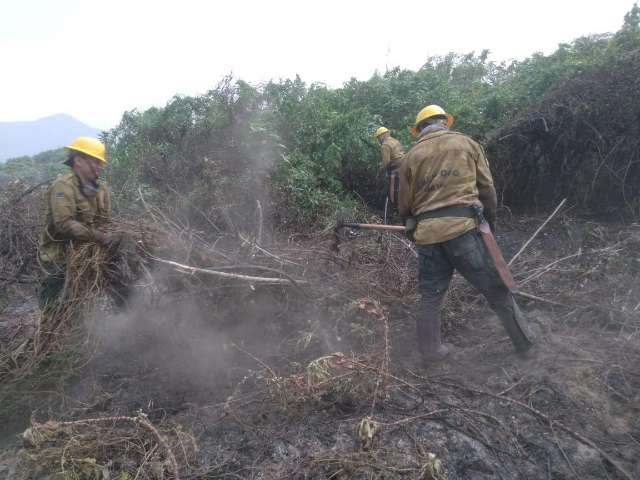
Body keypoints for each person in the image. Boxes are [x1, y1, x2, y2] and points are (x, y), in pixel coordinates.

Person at [398, 105, 533, 363]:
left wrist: (411, 225)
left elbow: (405, 205)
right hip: (463, 230)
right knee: (495, 289)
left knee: (430, 297)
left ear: (420, 130)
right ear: (444, 123)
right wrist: (489, 221)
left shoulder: (410, 157)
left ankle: (431, 352)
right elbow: (487, 189)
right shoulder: (467, 144)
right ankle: (524, 344)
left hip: (427, 236)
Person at [38, 136, 118, 309]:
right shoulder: (62, 187)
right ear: (79, 161)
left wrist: (106, 236)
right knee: (54, 306)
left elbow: (106, 222)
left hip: (88, 253)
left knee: (85, 303)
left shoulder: (101, 190)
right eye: (95, 161)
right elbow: (64, 224)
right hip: (59, 256)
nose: (99, 166)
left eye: (100, 162)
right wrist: (99, 236)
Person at [374, 127, 405, 211]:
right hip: (405, 166)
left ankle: (396, 210)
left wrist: (379, 174)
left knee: (393, 193)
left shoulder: (385, 145)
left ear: (382, 135)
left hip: (395, 170)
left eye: (378, 137)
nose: (378, 140)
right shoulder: (395, 141)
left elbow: (385, 163)